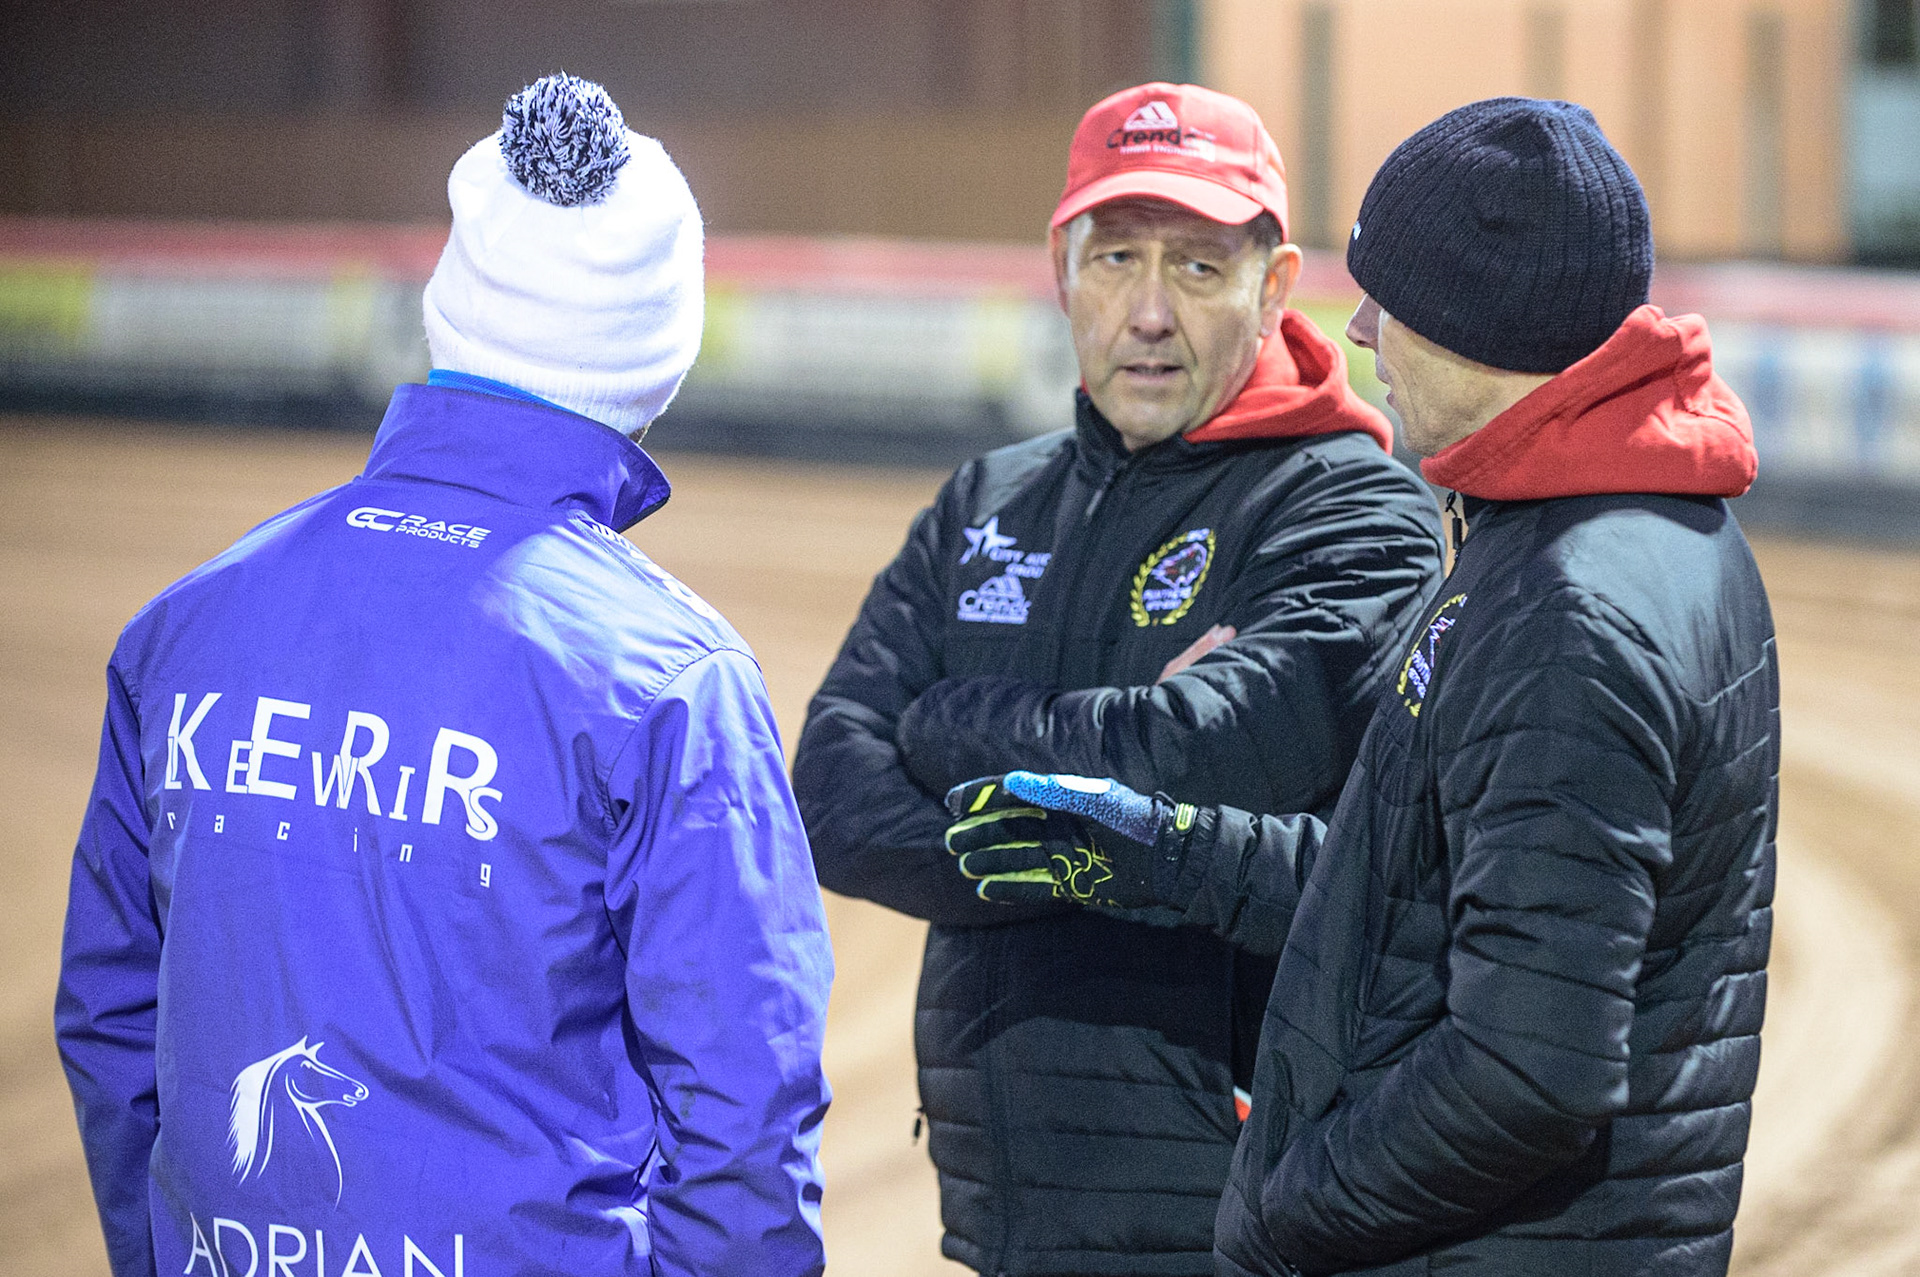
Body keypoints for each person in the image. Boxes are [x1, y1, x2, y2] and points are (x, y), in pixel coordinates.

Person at [944, 98, 1776, 1276]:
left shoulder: (1572, 606)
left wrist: (1282, 1211)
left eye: (1396, 300)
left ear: (1481, 328)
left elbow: (1530, 1070)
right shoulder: (1570, 536)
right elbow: (1416, 894)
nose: (1367, 327)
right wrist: (1176, 852)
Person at [55, 74, 832, 1277]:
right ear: (655, 356)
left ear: (453, 305)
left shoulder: (186, 625)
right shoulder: (672, 681)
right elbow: (743, 1119)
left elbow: (112, 1020)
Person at [792, 82, 1443, 1276]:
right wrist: (1101, 838)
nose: (1148, 312)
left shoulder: (1358, 511)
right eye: (1117, 257)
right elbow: (831, 792)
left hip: (1247, 1206)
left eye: (1198, 267)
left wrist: (941, 723)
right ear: (1060, 267)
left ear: (1276, 283)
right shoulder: (988, 503)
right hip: (1007, 1210)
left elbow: (1210, 750)